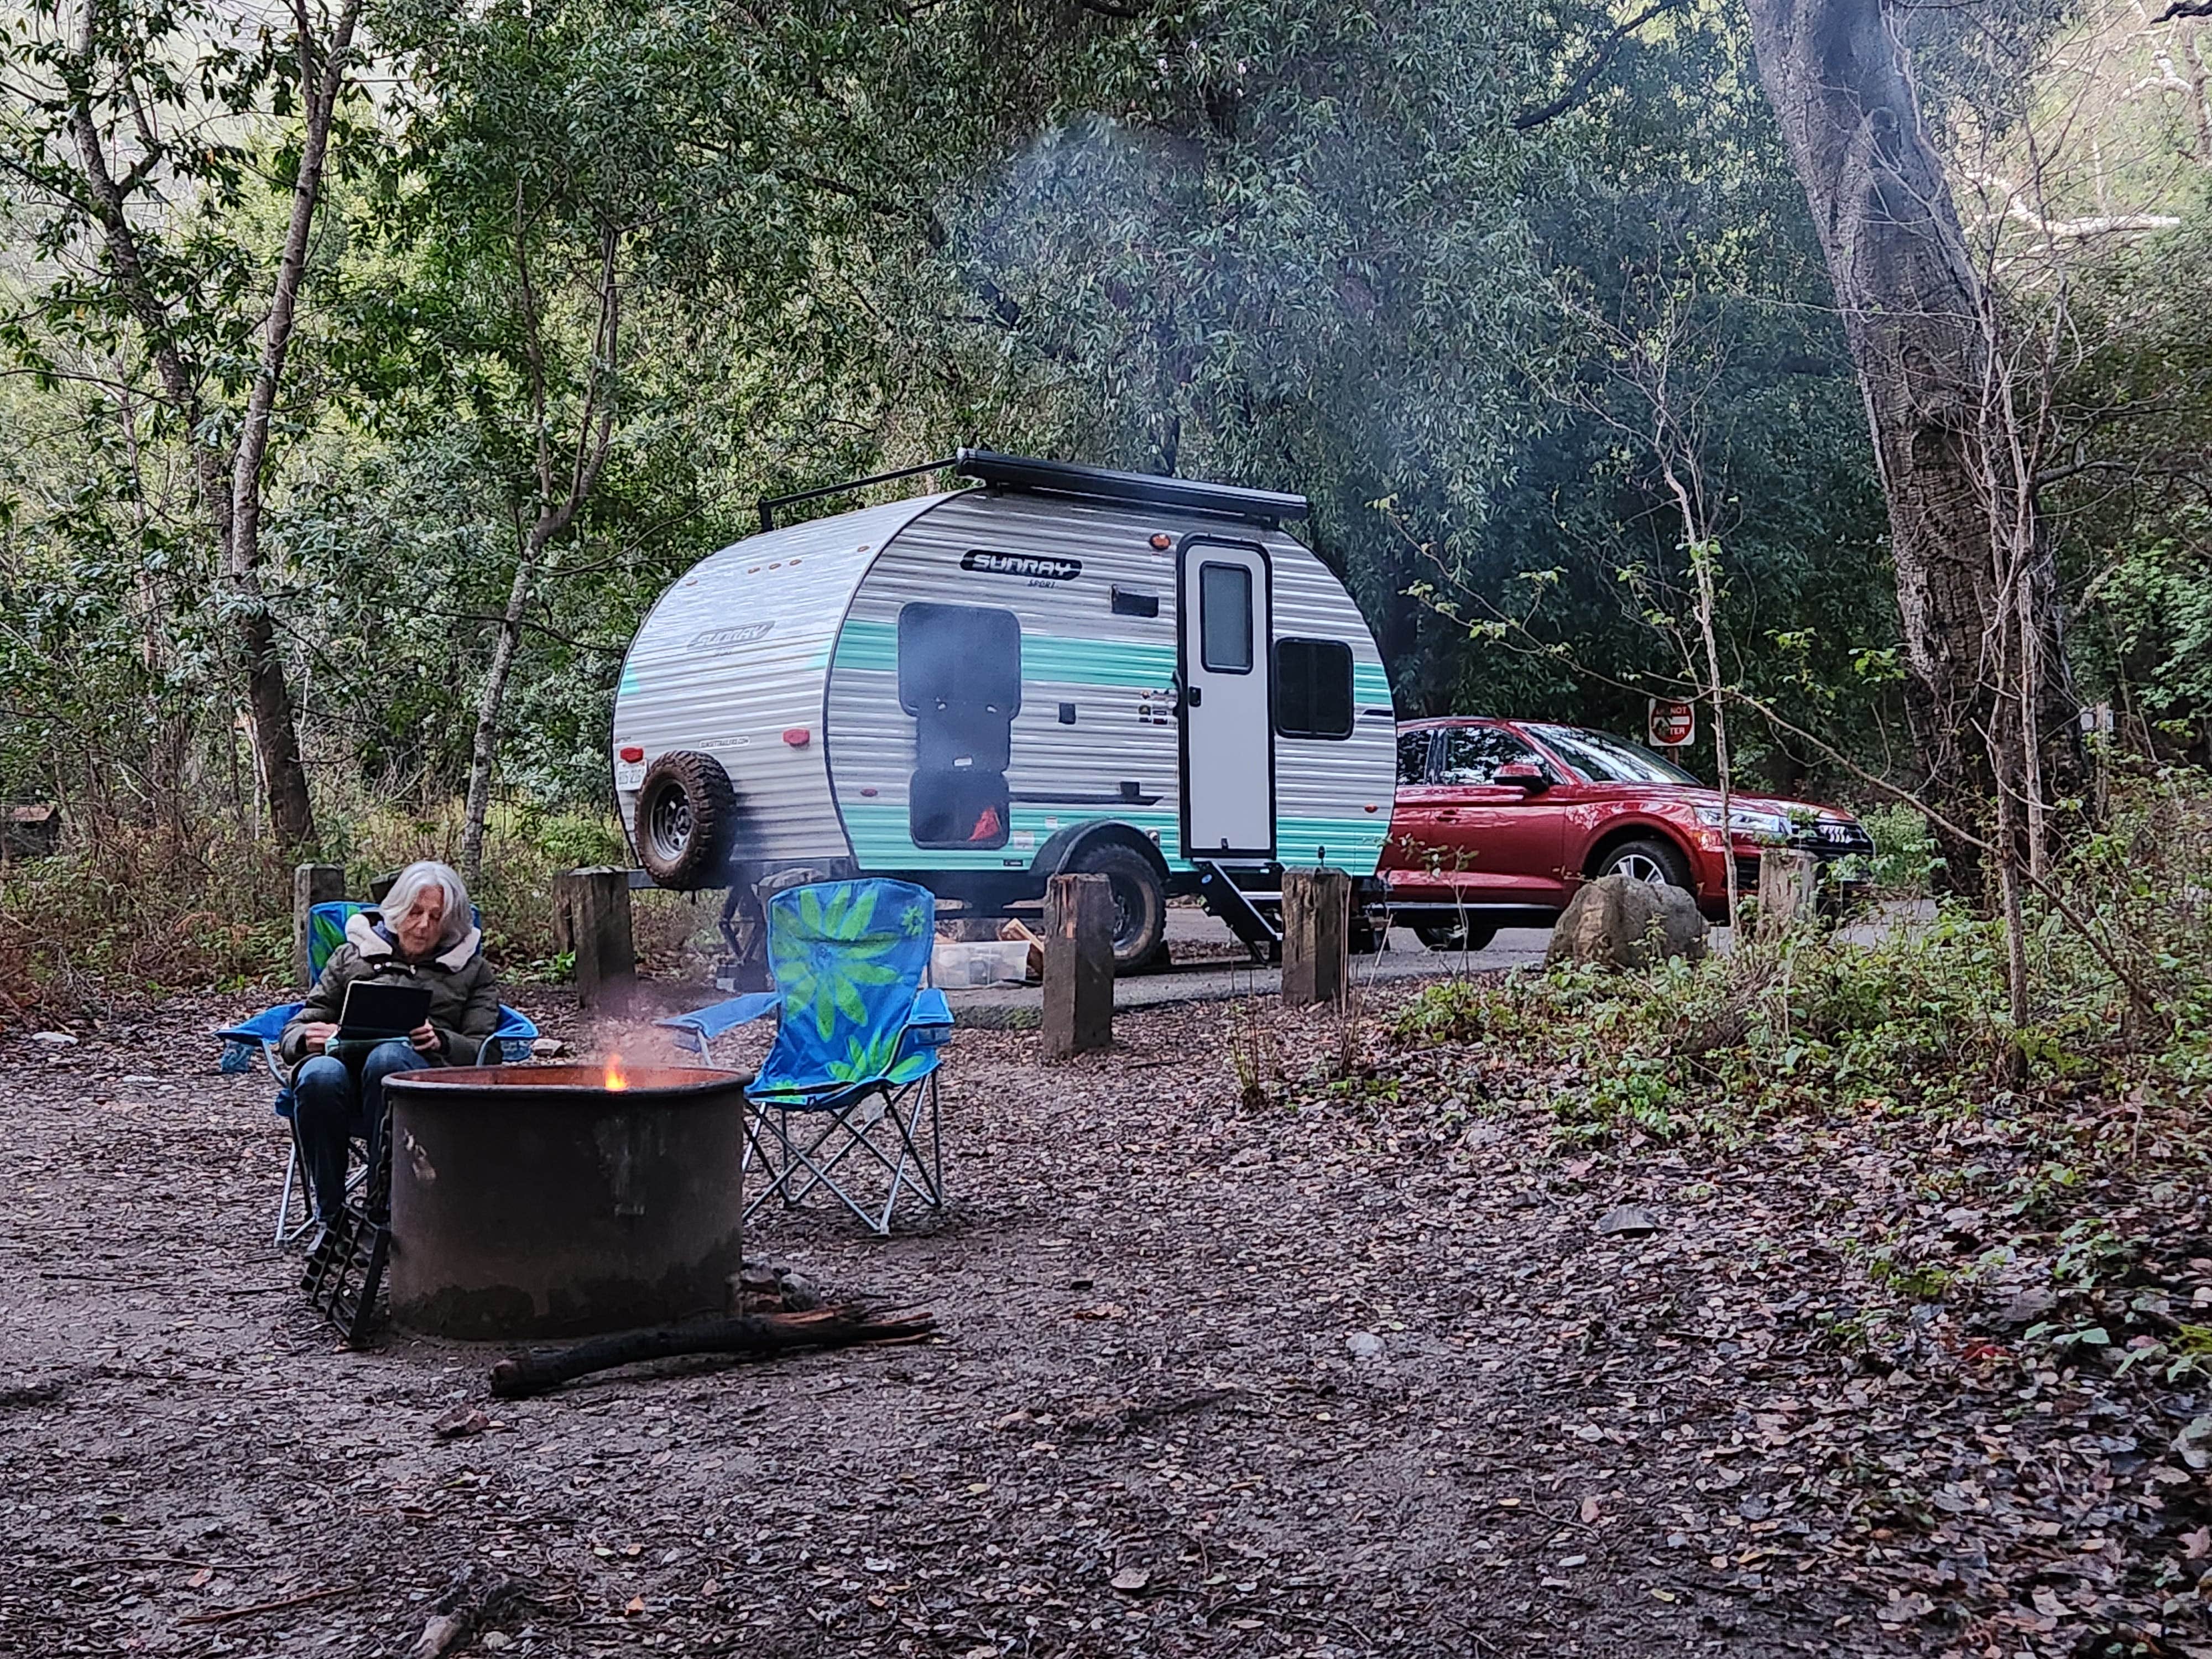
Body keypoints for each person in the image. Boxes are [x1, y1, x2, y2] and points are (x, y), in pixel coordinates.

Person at [278, 860, 500, 1225]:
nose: (424, 925)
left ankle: (383, 1209)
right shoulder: (351, 956)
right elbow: (297, 1026)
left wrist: (440, 1040)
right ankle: (330, 1217)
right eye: (415, 912)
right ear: (397, 911)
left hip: (422, 1086)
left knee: (388, 1059)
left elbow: (485, 1051)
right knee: (318, 1075)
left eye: (436, 916)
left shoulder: (472, 971)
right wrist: (306, 1039)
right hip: (343, 1079)